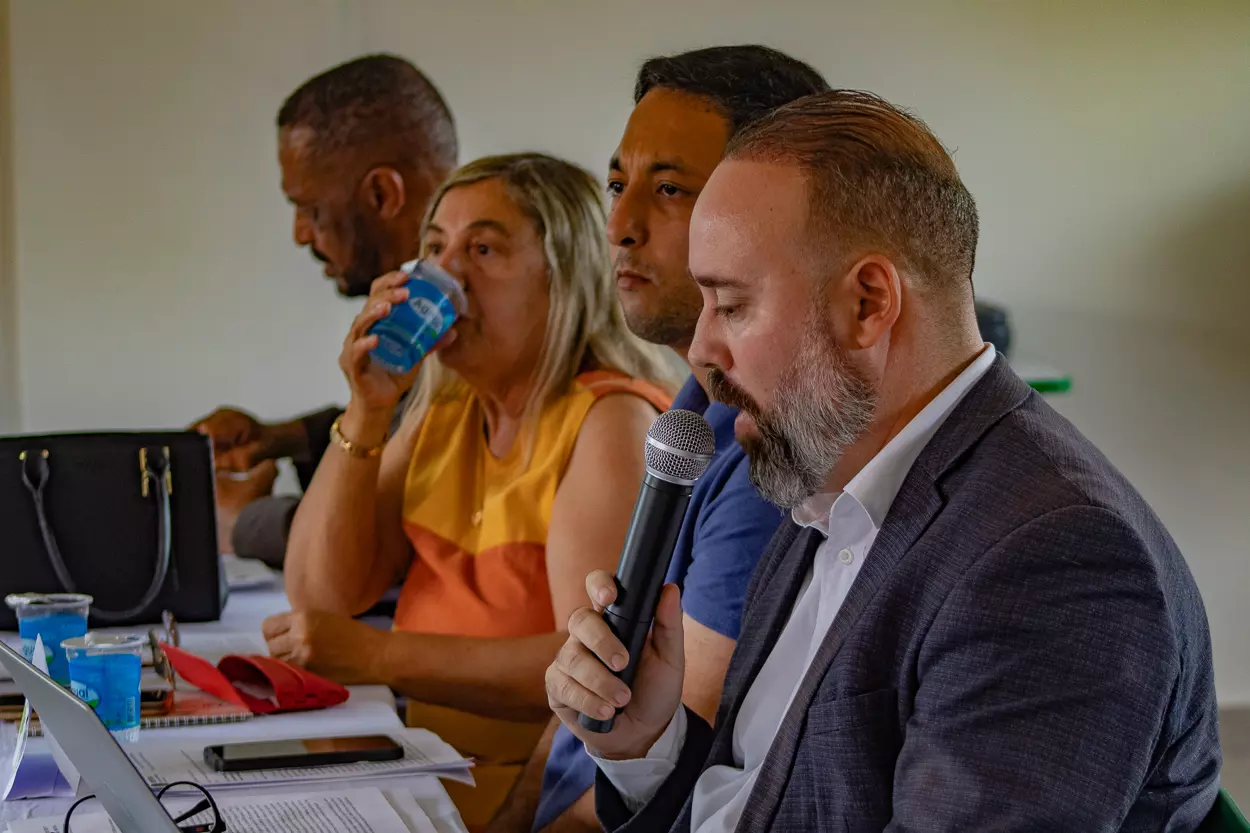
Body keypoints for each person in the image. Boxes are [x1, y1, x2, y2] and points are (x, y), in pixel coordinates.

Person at [546, 90, 1221, 831]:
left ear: (869, 302)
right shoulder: (823, 470)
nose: (703, 351)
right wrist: (648, 740)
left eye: (731, 305)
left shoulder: (1055, 559)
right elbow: (764, 792)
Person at [264, 153, 679, 829]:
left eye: (483, 248)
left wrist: (377, 655)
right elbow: (321, 597)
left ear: (565, 275)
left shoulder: (609, 421)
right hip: (417, 780)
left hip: (525, 804)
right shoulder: (448, 410)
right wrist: (366, 409)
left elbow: (590, 672)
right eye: (434, 248)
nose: (444, 274)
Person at [487, 46, 826, 833]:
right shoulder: (690, 417)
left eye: (669, 189)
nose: (619, 225)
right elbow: (585, 725)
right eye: (616, 184)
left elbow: (666, 774)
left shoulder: (761, 455)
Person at [194, 53, 457, 565]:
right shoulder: (430, 296)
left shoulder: (463, 312)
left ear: (383, 194)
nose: (300, 234)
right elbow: (406, 418)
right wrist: (277, 439)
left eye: (310, 209)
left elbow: (390, 526)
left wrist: (243, 522)